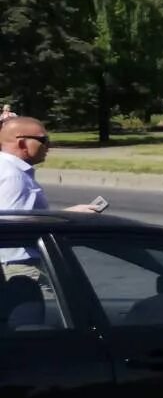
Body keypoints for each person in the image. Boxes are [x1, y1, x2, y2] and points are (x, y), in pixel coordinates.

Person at [1, 117, 99, 279]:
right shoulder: (14, 177)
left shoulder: (7, 168)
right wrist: (68, 216)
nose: (48, 146)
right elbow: (14, 225)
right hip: (21, 266)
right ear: (22, 143)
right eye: (43, 140)